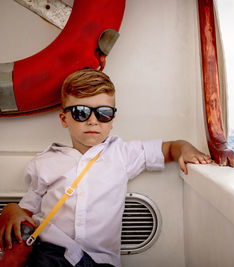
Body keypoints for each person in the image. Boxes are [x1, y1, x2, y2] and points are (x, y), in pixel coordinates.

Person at [0, 68, 212, 267]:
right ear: (64, 118)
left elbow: (168, 149)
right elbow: (26, 210)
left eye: (103, 113)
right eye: (81, 112)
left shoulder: (122, 153)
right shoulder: (44, 162)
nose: (93, 121)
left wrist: (185, 148)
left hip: (100, 260)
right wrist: (12, 210)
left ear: (112, 119)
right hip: (50, 253)